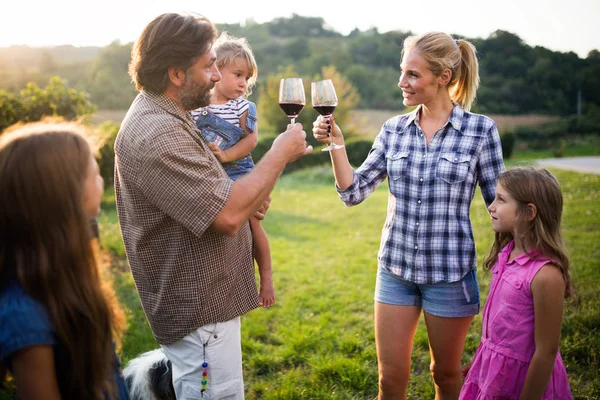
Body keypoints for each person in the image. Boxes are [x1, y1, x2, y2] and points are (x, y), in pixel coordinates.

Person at [114, 12, 311, 399]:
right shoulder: (158, 132)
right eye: (208, 67)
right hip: (200, 311)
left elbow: (214, 191)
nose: (218, 76)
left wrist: (251, 192)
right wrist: (278, 156)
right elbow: (227, 215)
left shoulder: (169, 115)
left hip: (207, 309)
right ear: (176, 73)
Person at [313, 32, 505, 399]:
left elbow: (500, 205)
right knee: (390, 379)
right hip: (394, 272)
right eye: (403, 72)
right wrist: (335, 143)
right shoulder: (393, 130)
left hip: (449, 276)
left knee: (446, 375)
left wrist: (515, 269)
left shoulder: (481, 131)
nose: (402, 82)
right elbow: (353, 192)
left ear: (444, 77)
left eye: (413, 75)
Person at [0, 121, 129, 399]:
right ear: (64, 196)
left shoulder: (71, 270)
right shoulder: (25, 312)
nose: (102, 181)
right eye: (94, 174)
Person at [460, 167, 574, 399]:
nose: (491, 207)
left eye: (501, 199)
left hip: (523, 381)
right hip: (494, 372)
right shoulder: (507, 253)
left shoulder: (545, 275)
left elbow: (546, 351)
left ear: (529, 212)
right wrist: (479, 363)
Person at [192, 32, 275, 308]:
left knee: (252, 224)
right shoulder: (197, 105)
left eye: (247, 77)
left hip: (239, 170)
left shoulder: (243, 107)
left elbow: (251, 140)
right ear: (216, 70)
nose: (243, 83)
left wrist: (226, 155)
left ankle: (265, 276)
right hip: (210, 174)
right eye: (237, 74)